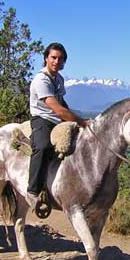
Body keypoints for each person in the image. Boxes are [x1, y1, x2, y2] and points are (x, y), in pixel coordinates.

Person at [27, 42, 87, 203]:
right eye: (53, 57)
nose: (56, 61)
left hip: (56, 119)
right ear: (46, 58)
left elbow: (62, 103)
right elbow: (57, 109)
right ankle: (33, 191)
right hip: (43, 119)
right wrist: (81, 121)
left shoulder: (58, 78)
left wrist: (76, 119)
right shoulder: (41, 80)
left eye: (60, 59)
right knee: (42, 146)